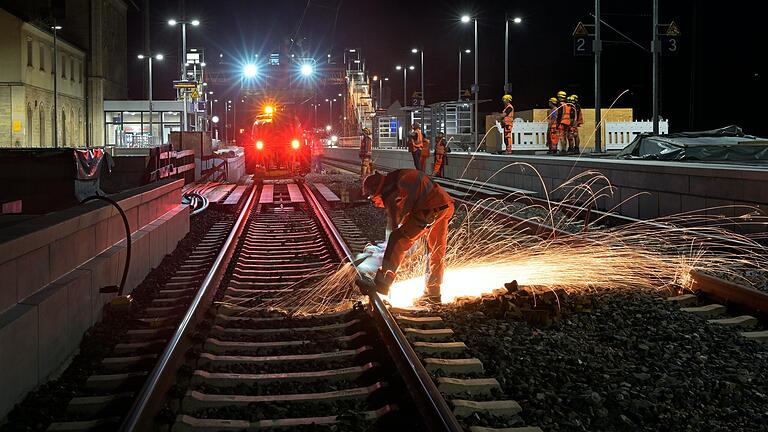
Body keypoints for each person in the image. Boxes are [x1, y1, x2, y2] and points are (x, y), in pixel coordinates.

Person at [358, 169, 454, 305]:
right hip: (444, 205)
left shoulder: (388, 191)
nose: (374, 202)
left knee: (397, 240)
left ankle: (382, 283)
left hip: (429, 208)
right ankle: (434, 294)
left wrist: (384, 251)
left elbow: (393, 227)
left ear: (376, 191)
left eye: (372, 198)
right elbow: (405, 217)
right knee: (435, 251)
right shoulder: (396, 179)